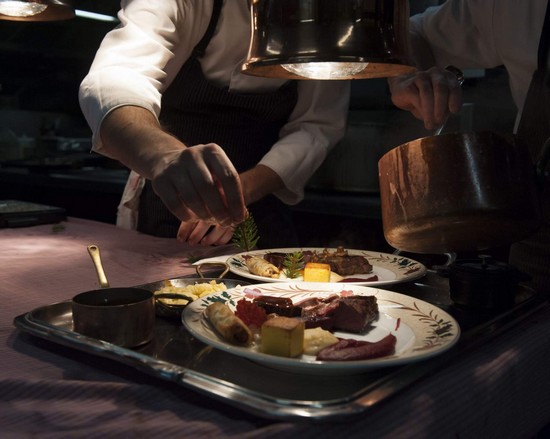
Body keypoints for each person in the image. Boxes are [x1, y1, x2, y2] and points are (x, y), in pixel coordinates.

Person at [79, 0, 349, 249]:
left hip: (262, 207)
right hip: (171, 201)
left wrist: (239, 192)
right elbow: (116, 76)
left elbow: (316, 126)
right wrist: (165, 156)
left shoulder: (329, 14)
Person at [388, 0, 550, 295]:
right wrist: (410, 75)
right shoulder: (511, 6)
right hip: (542, 220)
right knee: (530, 331)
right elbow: (415, 32)